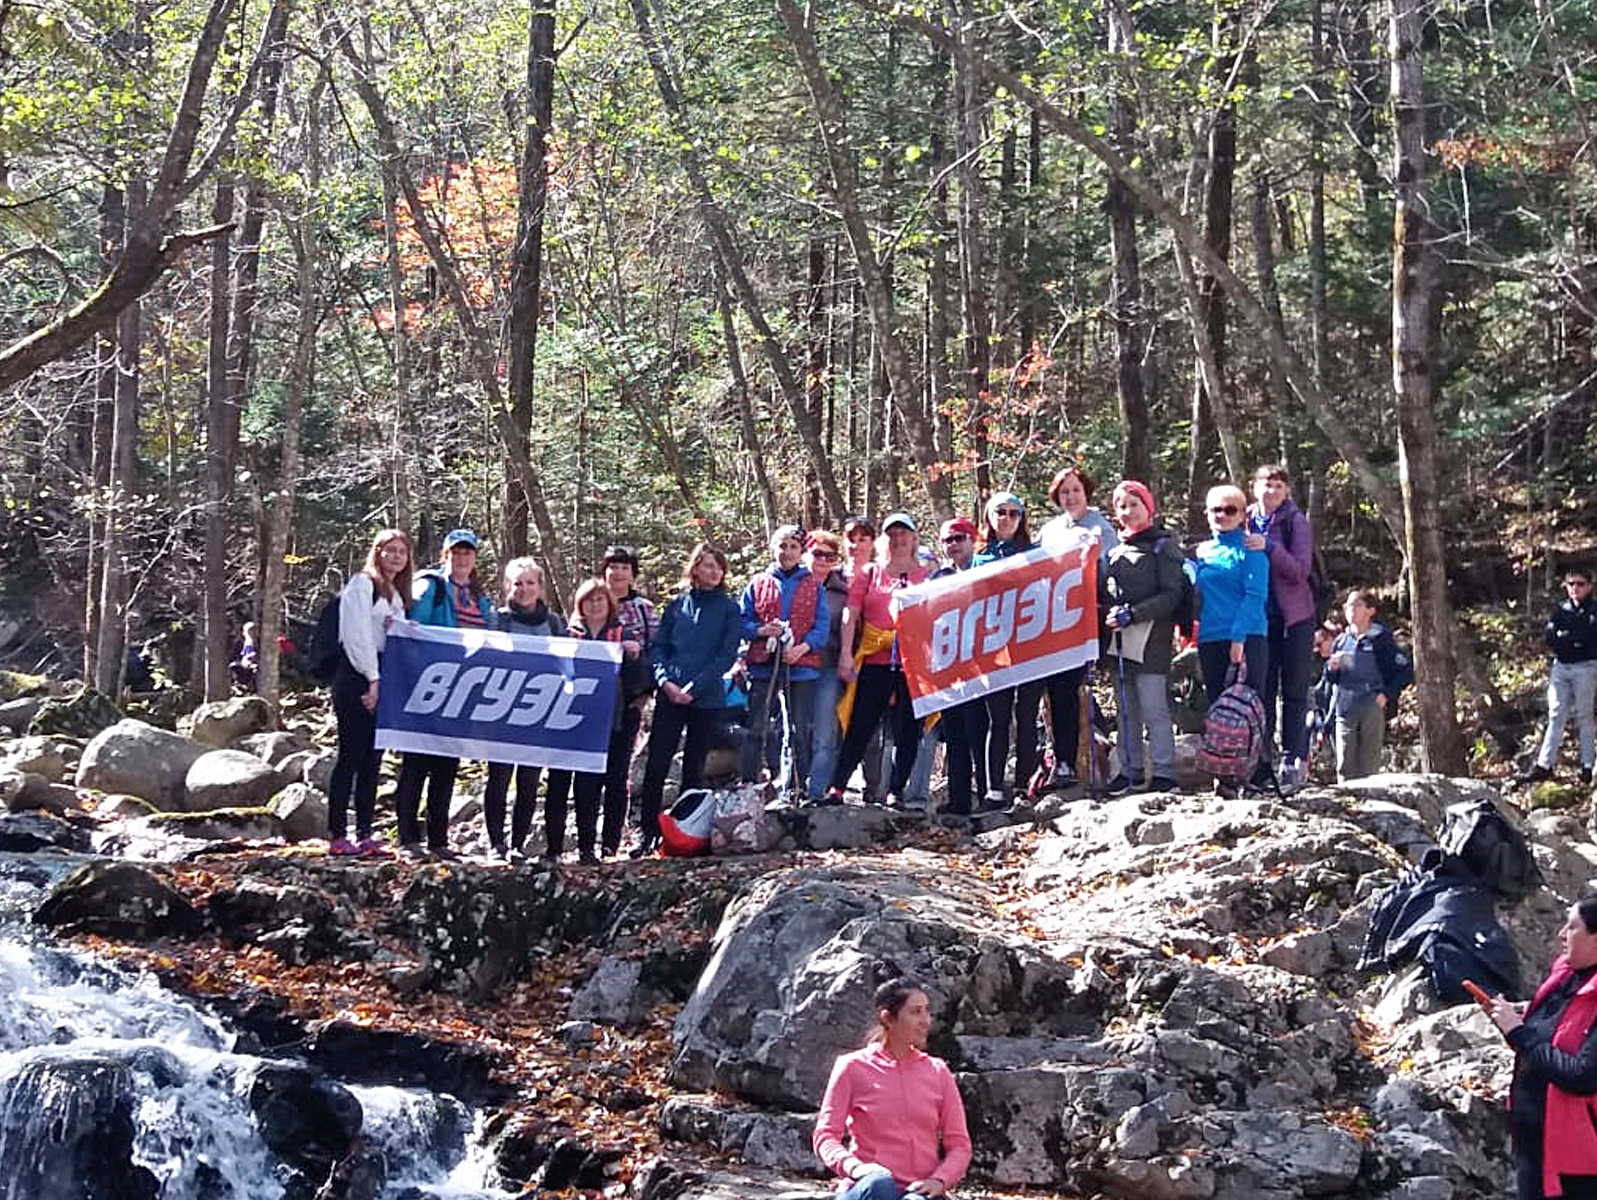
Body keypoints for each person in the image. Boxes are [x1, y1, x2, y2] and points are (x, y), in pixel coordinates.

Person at [813, 966, 972, 1200]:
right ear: (888, 1018)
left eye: (928, 1011)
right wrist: (855, 1168)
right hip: (869, 1189)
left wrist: (940, 1180)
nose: (926, 1021)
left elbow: (959, 1144)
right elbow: (825, 1136)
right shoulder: (852, 1067)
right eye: (916, 1012)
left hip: (919, 1191)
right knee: (880, 1185)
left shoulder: (938, 1071)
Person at [392, 528, 495, 859]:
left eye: (468, 552)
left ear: (475, 557)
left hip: (461, 693)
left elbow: (493, 640)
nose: (462, 558)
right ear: (445, 554)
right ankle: (407, 838)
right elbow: (411, 630)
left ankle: (438, 841)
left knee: (446, 767)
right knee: (416, 764)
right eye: (456, 552)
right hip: (427, 688)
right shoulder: (430, 587)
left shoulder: (480, 598)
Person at [1485, 896, 1597, 1200]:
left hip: (1579, 1163)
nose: (1561, 934)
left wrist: (1520, 1032)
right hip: (1535, 1144)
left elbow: (1582, 1076)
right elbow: (1541, 1040)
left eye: (1572, 927)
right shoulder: (1565, 976)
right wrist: (1509, 1021)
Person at [634, 543, 741, 856]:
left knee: (694, 767)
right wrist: (665, 682)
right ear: (695, 568)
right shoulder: (677, 605)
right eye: (707, 565)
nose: (713, 572)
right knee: (657, 764)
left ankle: (685, 833)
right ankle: (648, 833)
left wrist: (694, 687)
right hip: (670, 696)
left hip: (706, 698)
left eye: (718, 567)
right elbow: (659, 649)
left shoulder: (728, 608)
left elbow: (726, 655)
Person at [820, 513, 930, 809]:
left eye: (903, 534)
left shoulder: (925, 574)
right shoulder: (871, 573)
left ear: (913, 538)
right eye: (892, 535)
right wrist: (845, 654)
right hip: (874, 658)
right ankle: (838, 786)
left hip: (912, 665)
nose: (898, 540)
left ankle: (897, 789)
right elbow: (851, 613)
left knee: (908, 728)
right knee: (861, 725)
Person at [327, 528, 413, 858]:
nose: (396, 557)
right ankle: (337, 832)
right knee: (350, 753)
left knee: (373, 758)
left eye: (401, 552)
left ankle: (365, 832)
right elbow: (356, 635)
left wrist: (407, 629)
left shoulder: (394, 593)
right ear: (377, 552)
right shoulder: (362, 584)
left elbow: (392, 634)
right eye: (390, 550)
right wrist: (372, 679)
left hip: (382, 675)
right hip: (356, 674)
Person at [1036, 467, 1118, 794]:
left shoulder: (1101, 528)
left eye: (1076, 490)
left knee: (1074, 689)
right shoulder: (1050, 530)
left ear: (1086, 492)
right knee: (1053, 692)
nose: (1070, 497)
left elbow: (1109, 572)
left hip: (1086, 621)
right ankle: (1056, 759)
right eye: (1065, 492)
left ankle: (1082, 760)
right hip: (1050, 623)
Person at [1101, 480, 1185, 795]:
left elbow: (1171, 594)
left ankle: (1164, 773)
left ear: (1148, 508)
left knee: (1154, 707)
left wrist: (1134, 613)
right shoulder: (1115, 550)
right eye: (1122, 506)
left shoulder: (1164, 546)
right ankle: (1129, 770)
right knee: (1126, 708)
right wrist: (1111, 614)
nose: (1128, 511)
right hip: (1120, 640)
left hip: (1153, 638)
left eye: (1134, 504)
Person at [483, 558, 570, 862]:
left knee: (529, 781)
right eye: (518, 583)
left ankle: (518, 844)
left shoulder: (556, 623)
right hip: (502, 710)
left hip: (539, 711)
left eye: (530, 582)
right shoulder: (498, 620)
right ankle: (496, 844)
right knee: (498, 778)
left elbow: (568, 664)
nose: (524, 589)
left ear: (540, 586)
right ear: (508, 586)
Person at [740, 524, 828, 799]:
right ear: (773, 548)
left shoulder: (814, 586)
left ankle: (794, 788)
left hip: (801, 668)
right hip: (763, 665)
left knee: (798, 729)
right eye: (782, 546)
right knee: (756, 727)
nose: (787, 552)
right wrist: (760, 631)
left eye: (793, 546)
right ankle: (748, 785)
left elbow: (822, 626)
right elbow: (742, 620)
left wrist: (803, 647)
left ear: (801, 551)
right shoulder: (757, 583)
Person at [1245, 465, 1318, 792]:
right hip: (1257, 620)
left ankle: (1293, 759)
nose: (1272, 491)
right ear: (1254, 487)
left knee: (1294, 691)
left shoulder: (1295, 522)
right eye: (1266, 484)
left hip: (1294, 618)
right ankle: (1261, 762)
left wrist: (1270, 547)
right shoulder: (1242, 517)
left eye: (1278, 486)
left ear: (1286, 491)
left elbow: (1301, 570)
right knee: (1261, 691)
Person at [973, 492, 1048, 807]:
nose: (1006, 518)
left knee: (1027, 716)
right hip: (994, 651)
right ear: (989, 517)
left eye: (1013, 513)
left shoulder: (1035, 554)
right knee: (998, 719)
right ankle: (993, 787)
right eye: (1000, 512)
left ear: (1022, 519)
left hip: (1030, 646)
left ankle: (1024, 786)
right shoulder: (979, 559)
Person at [602, 545, 659, 856]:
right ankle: (587, 839)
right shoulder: (590, 601)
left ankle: (612, 841)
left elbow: (656, 649)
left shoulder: (643, 608)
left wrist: (645, 692)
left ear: (633, 572)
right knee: (590, 770)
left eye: (624, 567)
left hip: (629, 699)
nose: (618, 572)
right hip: (594, 698)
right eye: (613, 566)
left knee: (618, 769)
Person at [565, 577, 626, 864]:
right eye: (590, 600)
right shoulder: (569, 635)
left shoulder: (621, 635)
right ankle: (586, 846)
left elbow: (637, 678)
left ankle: (611, 846)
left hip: (615, 719)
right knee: (585, 785)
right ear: (581, 604)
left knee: (615, 781)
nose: (596, 604)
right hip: (579, 719)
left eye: (601, 599)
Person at [932, 516, 988, 821]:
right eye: (948, 540)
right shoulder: (938, 577)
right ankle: (959, 799)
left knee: (980, 732)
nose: (954, 545)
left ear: (973, 539)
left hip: (983, 666)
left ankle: (988, 793)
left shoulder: (988, 571)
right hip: (948, 668)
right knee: (954, 734)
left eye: (959, 538)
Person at [1193, 484, 1269, 708]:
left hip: (1247, 638)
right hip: (1210, 637)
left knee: (1246, 714)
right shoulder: (1202, 552)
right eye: (1216, 509)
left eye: (1230, 510)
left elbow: (1255, 596)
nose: (1222, 515)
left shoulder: (1251, 549)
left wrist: (1239, 637)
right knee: (1218, 712)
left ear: (1243, 514)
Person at [1521, 568, 1597, 786]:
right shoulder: (1560, 609)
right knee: (1556, 714)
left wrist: (1569, 638)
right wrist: (1568, 639)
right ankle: (1544, 765)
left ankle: (1587, 766)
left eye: (1580, 584)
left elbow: (1589, 638)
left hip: (1586, 667)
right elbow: (1550, 637)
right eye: (1571, 584)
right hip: (1561, 666)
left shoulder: (1593, 610)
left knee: (1584, 716)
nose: (1574, 588)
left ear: (1589, 586)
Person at [1325, 590, 1411, 782]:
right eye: (1347, 606)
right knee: (1344, 766)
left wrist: (1386, 695)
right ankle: (1346, 809)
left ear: (1370, 610)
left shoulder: (1381, 640)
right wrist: (1332, 668)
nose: (1350, 610)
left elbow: (1404, 671)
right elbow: (1331, 679)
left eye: (1356, 605)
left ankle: (1371, 808)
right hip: (1345, 708)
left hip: (1371, 706)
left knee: (1369, 768)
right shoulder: (1341, 641)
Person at [806, 530, 850, 805]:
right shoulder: (793, 584)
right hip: (795, 667)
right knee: (794, 732)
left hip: (829, 666)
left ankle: (817, 790)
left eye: (830, 556)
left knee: (825, 732)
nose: (823, 560)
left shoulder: (843, 592)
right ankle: (791, 787)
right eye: (817, 553)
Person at [229, 623, 259, 693]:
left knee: (255, 670)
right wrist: (241, 662)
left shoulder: (260, 643)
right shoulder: (240, 643)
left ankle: (252, 689)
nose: (252, 633)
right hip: (242, 664)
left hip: (254, 664)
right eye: (249, 631)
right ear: (244, 633)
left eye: (253, 631)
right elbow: (235, 656)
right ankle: (237, 686)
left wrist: (253, 661)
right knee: (233, 666)